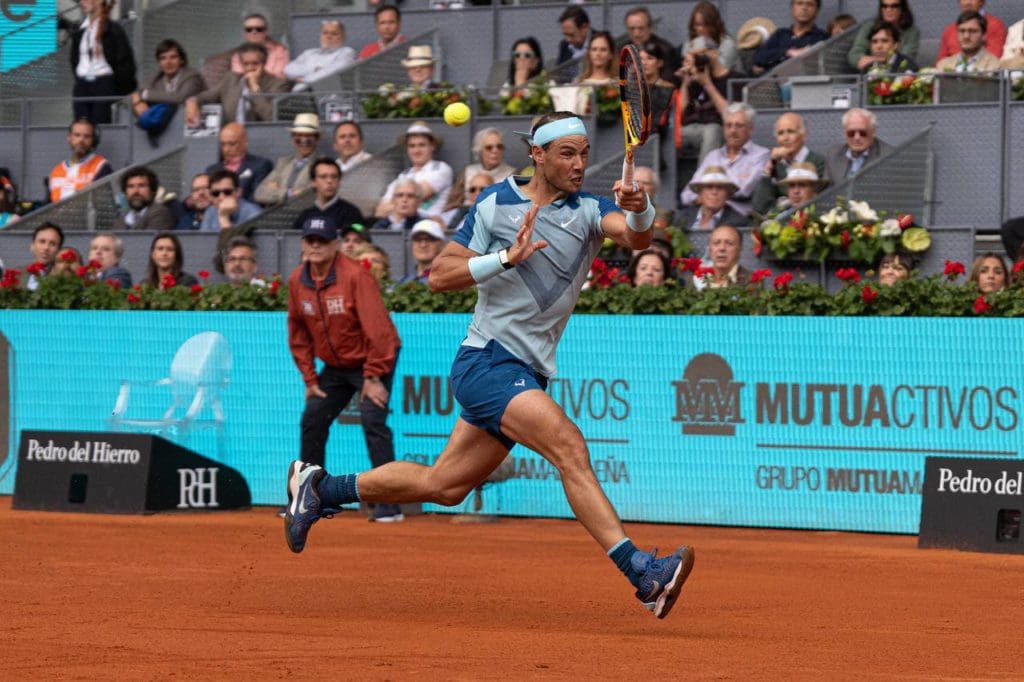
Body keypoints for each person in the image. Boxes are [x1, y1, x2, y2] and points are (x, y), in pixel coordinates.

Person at [282, 112, 695, 620]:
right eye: (567, 153)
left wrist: (641, 208)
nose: (579, 164)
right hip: (487, 361)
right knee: (569, 447)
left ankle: (321, 488)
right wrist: (504, 258)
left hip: (526, 369)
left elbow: (636, 239)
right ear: (537, 154)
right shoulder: (495, 203)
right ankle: (643, 574)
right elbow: (439, 274)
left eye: (584, 153)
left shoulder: (589, 209)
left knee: (444, 486)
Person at [287, 214, 404, 523]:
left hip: (371, 358)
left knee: (372, 419)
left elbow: (378, 331)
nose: (315, 245)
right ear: (303, 244)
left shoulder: (355, 276)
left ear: (335, 244)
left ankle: (389, 504)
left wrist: (375, 375)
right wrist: (309, 378)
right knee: (313, 418)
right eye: (310, 240)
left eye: (322, 240)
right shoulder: (298, 280)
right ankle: (308, 499)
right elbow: (297, 332)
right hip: (335, 366)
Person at [681, 103, 770, 217]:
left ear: (750, 129)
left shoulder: (761, 155)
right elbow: (687, 195)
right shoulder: (713, 156)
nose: (733, 130)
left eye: (739, 125)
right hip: (707, 216)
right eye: (728, 125)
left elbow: (743, 190)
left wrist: (707, 196)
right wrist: (712, 199)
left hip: (738, 219)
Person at [185, 43, 289, 127]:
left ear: (264, 63)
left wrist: (254, 88)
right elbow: (208, 96)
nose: (250, 68)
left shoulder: (278, 84)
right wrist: (192, 102)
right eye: (246, 64)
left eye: (255, 63)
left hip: (260, 138)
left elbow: (271, 118)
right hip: (231, 136)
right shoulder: (231, 78)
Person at [70, 0, 137, 124]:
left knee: (101, 126)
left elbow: (126, 64)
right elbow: (74, 60)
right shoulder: (80, 31)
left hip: (103, 83)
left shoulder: (113, 29)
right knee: (80, 125)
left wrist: (112, 87)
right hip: (82, 85)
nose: (82, 2)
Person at [750, 112, 826, 217]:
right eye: (781, 133)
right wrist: (769, 167)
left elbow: (818, 200)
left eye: (790, 131)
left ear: (804, 135)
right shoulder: (775, 165)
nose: (786, 138)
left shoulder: (819, 162)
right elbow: (760, 207)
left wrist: (782, 201)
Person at [375, 121, 453, 219]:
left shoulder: (441, 168)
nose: (416, 151)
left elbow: (415, 196)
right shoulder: (403, 175)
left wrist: (394, 203)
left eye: (422, 145)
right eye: (412, 146)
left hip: (428, 226)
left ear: (432, 146)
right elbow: (380, 211)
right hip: (401, 226)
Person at [673, 33, 730, 164]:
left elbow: (729, 114)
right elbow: (679, 114)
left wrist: (707, 83)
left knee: (712, 130)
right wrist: (685, 83)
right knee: (667, 135)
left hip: (718, 130)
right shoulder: (693, 79)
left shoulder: (732, 77)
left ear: (714, 53)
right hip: (690, 129)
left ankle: (703, 180)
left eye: (700, 54)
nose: (697, 59)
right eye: (693, 56)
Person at [254, 113, 322, 206]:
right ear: (293, 139)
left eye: (309, 138)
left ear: (317, 139)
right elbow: (260, 193)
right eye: (299, 137)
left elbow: (312, 196)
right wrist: (288, 193)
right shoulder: (284, 162)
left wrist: (277, 189)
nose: (303, 141)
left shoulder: (322, 164)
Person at [130, 39, 205, 121]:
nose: (168, 62)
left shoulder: (193, 77)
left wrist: (143, 95)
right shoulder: (156, 78)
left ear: (182, 60)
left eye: (173, 57)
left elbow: (180, 98)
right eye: (163, 58)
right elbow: (124, 99)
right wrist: (137, 102)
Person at [753, 0, 829, 73]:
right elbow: (758, 57)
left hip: (804, 83)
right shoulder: (780, 34)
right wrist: (788, 52)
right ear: (792, 8)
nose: (804, 8)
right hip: (773, 83)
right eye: (799, 3)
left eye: (810, 4)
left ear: (817, 10)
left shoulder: (822, 37)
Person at [48, 118, 113, 203]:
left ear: (93, 141)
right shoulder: (56, 171)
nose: (81, 140)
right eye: (77, 135)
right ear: (69, 138)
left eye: (86, 136)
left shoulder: (101, 166)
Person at [292, 157, 364, 233]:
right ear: (313, 182)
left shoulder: (351, 213)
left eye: (334, 177)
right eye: (323, 177)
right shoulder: (304, 216)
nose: (329, 181)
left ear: (339, 182)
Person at [205, 123, 273, 202]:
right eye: (223, 144)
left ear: (245, 142)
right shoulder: (211, 170)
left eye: (232, 144)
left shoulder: (261, 165)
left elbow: (257, 198)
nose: (226, 149)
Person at [824, 108, 892, 184]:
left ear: (873, 132)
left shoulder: (888, 156)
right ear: (845, 133)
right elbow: (827, 190)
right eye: (851, 133)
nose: (857, 138)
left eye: (863, 133)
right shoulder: (833, 154)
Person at [848, 1, 920, 71]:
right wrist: (879, 59)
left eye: (894, 6)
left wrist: (875, 60)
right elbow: (855, 56)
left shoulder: (911, 31)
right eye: (884, 6)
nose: (888, 10)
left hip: (898, 75)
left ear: (902, 9)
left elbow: (905, 60)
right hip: (870, 73)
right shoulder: (870, 27)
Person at [284, 20, 356, 88]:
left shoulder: (346, 52)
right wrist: (313, 69)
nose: (328, 37)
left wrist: (304, 79)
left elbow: (330, 73)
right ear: (321, 35)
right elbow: (288, 70)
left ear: (343, 37)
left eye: (334, 34)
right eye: (325, 33)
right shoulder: (309, 53)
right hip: (299, 97)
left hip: (326, 96)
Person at [677, 167, 749, 230]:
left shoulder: (739, 222)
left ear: (727, 195)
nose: (714, 192)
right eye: (709, 187)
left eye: (720, 188)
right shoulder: (681, 217)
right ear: (700, 193)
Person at [937, 1, 1007, 63]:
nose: (967, 3)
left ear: (982, 1)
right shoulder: (949, 30)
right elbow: (941, 62)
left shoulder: (996, 26)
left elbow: (994, 58)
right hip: (951, 74)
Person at [623, 6, 680, 82]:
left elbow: (670, 81)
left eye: (641, 28)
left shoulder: (665, 49)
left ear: (650, 27)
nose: (636, 33)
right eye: (632, 29)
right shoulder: (623, 49)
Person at [682, 1, 739, 75]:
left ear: (714, 24)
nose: (701, 29)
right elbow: (687, 65)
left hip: (725, 82)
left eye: (705, 24)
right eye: (697, 24)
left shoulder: (728, 44)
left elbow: (721, 70)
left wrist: (704, 53)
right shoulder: (689, 43)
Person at [113, 166, 177, 230]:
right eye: (131, 186)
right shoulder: (123, 218)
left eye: (141, 186)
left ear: (152, 191)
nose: (136, 191)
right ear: (125, 193)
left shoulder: (160, 213)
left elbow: (149, 239)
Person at [229, 13, 290, 81]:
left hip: (272, 89)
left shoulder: (280, 51)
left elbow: (280, 76)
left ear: (266, 31)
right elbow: (238, 78)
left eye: (259, 29)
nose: (254, 32)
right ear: (244, 33)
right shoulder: (237, 55)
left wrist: (254, 76)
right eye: (249, 29)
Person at [936, 11, 1002, 72]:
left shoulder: (995, 66)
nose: (966, 36)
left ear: (984, 36)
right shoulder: (943, 65)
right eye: (962, 31)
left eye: (972, 31)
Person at [691, 224, 750, 290]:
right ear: (710, 249)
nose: (722, 248)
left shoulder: (752, 281)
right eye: (716, 243)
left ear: (739, 249)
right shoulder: (695, 281)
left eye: (729, 243)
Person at [573, 31, 617, 115]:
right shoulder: (579, 84)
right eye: (594, 49)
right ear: (589, 53)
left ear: (610, 54)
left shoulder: (618, 84)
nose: (598, 54)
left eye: (603, 50)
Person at [640, 42, 676, 137]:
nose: (644, 63)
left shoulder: (668, 89)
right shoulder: (629, 87)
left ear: (660, 63)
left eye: (649, 58)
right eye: (640, 59)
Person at [399, 219, 446, 285]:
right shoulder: (402, 282)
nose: (423, 245)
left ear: (441, 245)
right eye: (417, 240)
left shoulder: (451, 280)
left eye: (430, 239)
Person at [555, 6, 592, 81]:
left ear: (585, 28)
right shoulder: (564, 45)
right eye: (565, 34)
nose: (567, 39)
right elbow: (560, 76)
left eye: (571, 35)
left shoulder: (600, 42)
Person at [25, 223, 63, 290]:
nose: (46, 248)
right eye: (42, 241)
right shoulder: (17, 274)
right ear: (32, 246)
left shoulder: (63, 278)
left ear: (59, 250)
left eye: (52, 244)